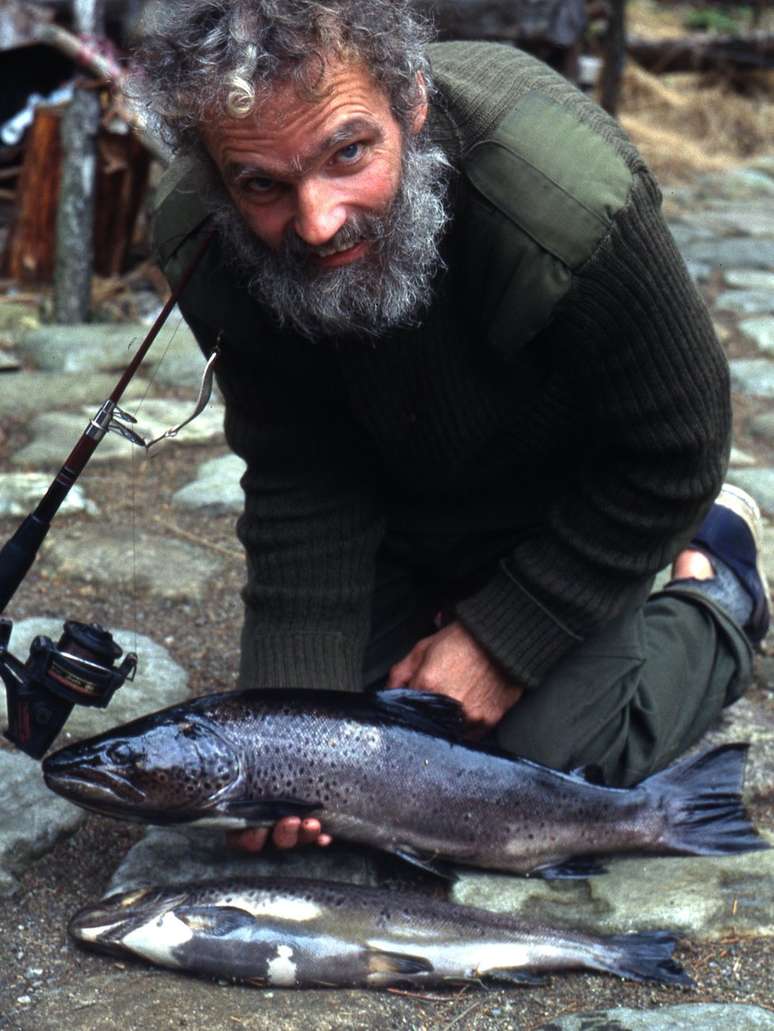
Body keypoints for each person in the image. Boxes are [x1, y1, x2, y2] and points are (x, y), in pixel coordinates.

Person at [135, 0, 770, 854]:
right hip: (406, 509)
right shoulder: (209, 235)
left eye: (349, 153)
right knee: (369, 782)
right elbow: (301, 468)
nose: (318, 221)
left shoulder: (566, 197)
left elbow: (678, 445)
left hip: (574, 501)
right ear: (220, 178)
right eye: (263, 185)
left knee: (537, 768)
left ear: (414, 104)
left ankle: (717, 583)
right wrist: (285, 738)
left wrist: (502, 641)